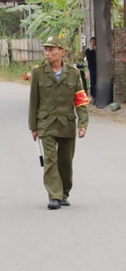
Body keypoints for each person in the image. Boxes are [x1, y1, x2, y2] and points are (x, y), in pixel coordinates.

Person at [29, 36, 89, 210]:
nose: (48, 53)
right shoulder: (39, 72)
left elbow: (80, 99)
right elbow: (34, 101)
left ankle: (64, 193)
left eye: (51, 49)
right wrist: (33, 126)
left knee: (65, 161)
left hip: (67, 123)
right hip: (46, 123)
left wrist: (83, 123)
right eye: (46, 49)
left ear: (62, 52)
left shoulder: (74, 73)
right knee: (50, 159)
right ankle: (54, 195)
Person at [85, 37, 97, 102]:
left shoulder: (97, 50)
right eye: (92, 41)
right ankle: (93, 96)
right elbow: (88, 60)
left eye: (94, 41)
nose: (93, 43)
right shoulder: (88, 51)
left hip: (97, 68)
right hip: (92, 68)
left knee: (96, 82)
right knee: (92, 82)